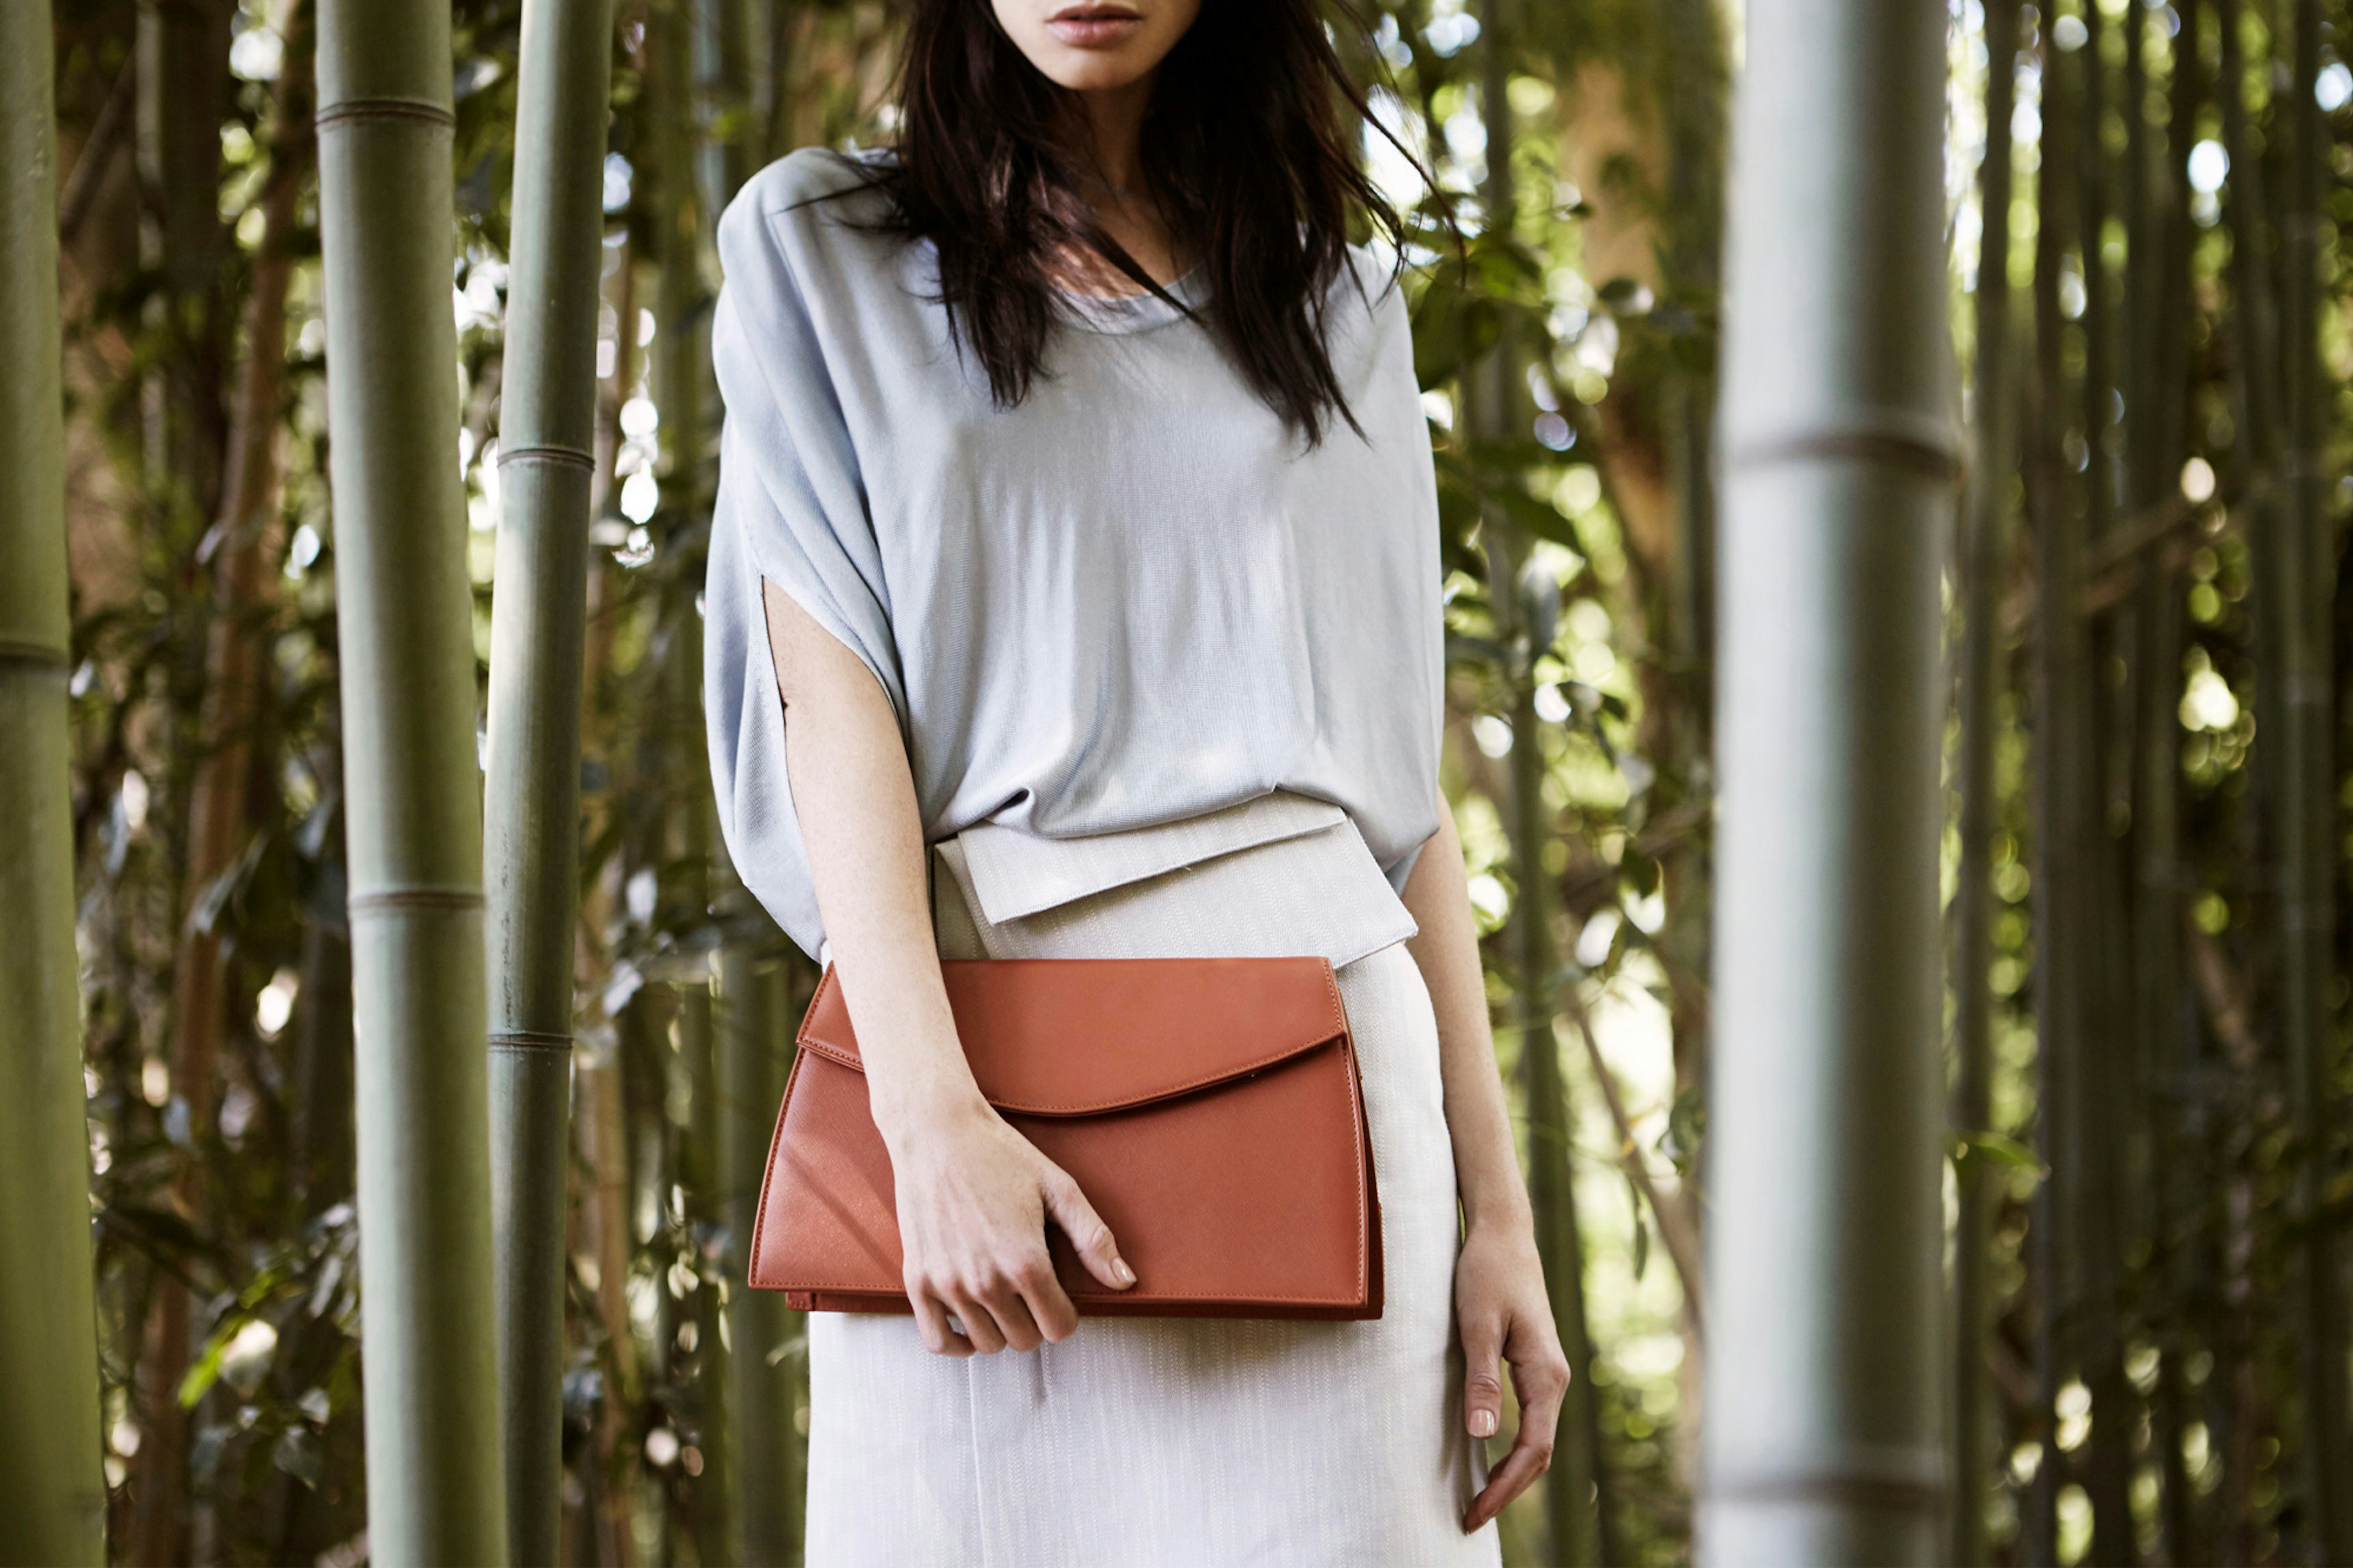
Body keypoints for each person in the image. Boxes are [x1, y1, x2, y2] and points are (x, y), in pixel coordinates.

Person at [703, 0, 1568, 1560]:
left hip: (1325, 1081)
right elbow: (823, 694)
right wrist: (930, 1124)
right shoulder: (813, 250)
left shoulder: (1338, 297)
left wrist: (1499, 1214)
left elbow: (1396, 802)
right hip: (968, 1083)